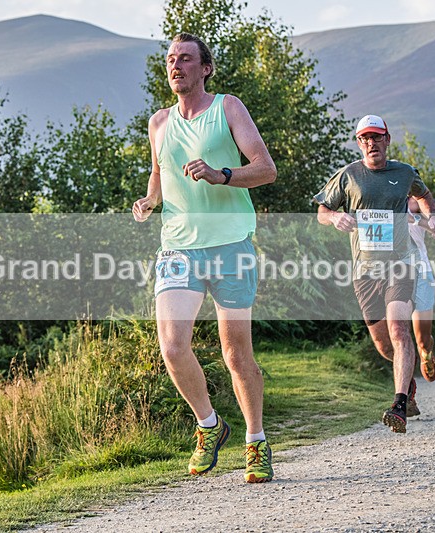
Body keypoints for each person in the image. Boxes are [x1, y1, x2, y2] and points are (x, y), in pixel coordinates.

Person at [132, 33, 277, 483]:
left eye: (186, 59)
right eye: (170, 60)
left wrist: (223, 175)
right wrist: (150, 200)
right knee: (173, 347)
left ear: (205, 68)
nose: (176, 66)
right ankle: (209, 425)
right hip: (177, 246)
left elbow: (266, 169)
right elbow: (160, 174)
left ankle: (255, 441)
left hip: (231, 244)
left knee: (236, 356)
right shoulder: (159, 122)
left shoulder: (227, 108)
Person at [314, 114, 435, 433]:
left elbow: (424, 196)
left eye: (376, 137)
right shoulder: (348, 176)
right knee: (383, 344)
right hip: (365, 271)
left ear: (387, 140)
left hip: (399, 265)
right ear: (359, 143)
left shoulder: (404, 173)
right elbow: (321, 211)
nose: (371, 143)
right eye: (364, 139)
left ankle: (399, 403)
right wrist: (334, 218)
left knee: (400, 330)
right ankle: (409, 384)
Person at [407, 197, 435, 385]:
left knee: (422, 339)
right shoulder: (385, 199)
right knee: (394, 332)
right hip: (389, 272)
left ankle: (426, 354)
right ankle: (405, 389)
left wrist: (417, 219)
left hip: (421, 272)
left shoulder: (420, 205)